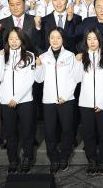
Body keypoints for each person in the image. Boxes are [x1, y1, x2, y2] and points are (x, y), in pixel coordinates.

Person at [0, 27, 39, 174]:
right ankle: (12, 160)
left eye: (17, 38)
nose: (14, 41)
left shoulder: (30, 56)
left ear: (22, 40)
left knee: (27, 132)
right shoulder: (2, 56)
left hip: (25, 100)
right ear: (7, 40)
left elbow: (30, 80)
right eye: (11, 39)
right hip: (6, 101)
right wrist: (0, 58)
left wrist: (17, 98)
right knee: (10, 133)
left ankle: (27, 158)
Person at [34, 28, 77, 174]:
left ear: (63, 39)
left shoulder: (70, 56)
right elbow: (38, 79)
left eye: (58, 37)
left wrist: (65, 95)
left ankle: (64, 157)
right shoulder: (44, 57)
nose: (55, 40)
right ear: (48, 39)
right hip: (49, 100)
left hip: (67, 99)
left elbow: (74, 79)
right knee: (50, 131)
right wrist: (38, 65)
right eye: (52, 37)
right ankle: (53, 158)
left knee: (67, 129)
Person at [74, 27, 103, 176]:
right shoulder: (81, 58)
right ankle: (92, 160)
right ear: (86, 41)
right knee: (88, 134)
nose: (92, 42)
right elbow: (77, 79)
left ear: (99, 40)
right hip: (85, 103)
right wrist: (78, 62)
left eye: (95, 39)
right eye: (89, 39)